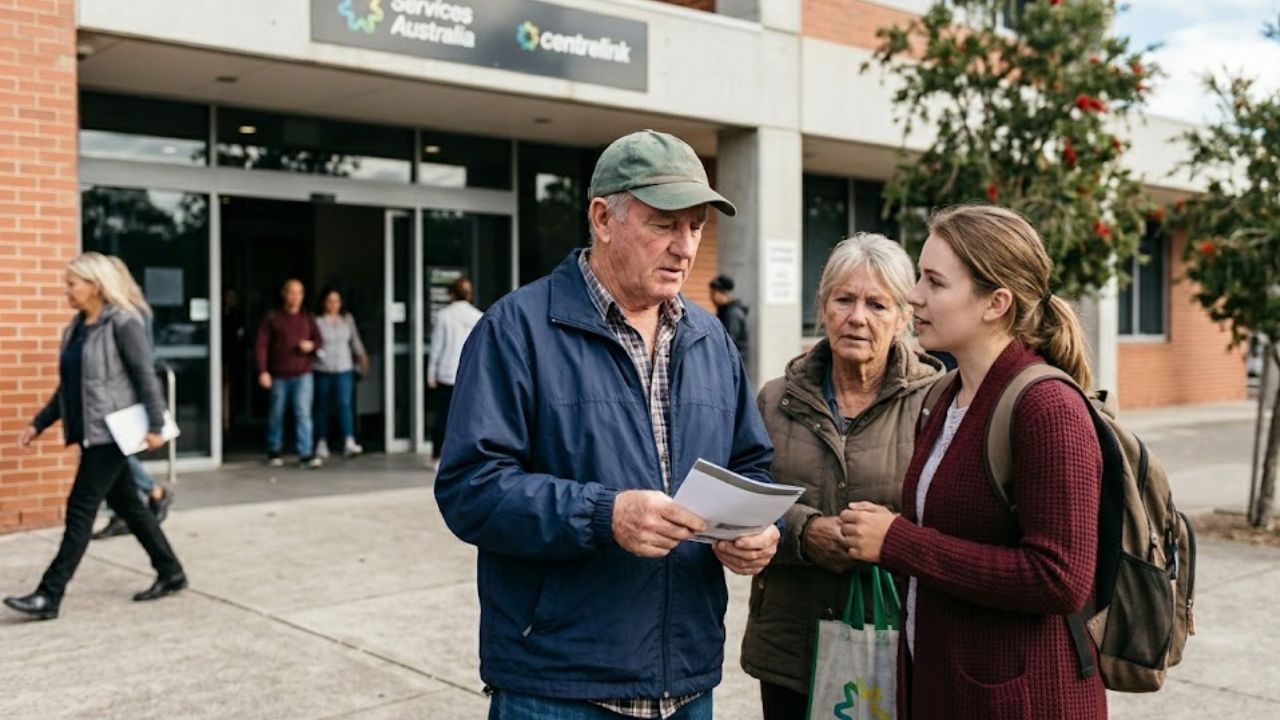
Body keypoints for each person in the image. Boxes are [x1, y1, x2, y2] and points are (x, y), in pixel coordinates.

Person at [434, 129, 777, 720]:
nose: (685, 247)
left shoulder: (709, 338)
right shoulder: (515, 330)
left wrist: (753, 532)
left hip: (688, 680)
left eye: (695, 226)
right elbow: (471, 489)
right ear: (602, 217)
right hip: (559, 685)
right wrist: (604, 515)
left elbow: (749, 464)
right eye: (664, 223)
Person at [841, 204, 1105, 719]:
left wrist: (899, 542)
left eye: (935, 282)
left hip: (1023, 701)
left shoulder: (1047, 408)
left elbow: (1059, 577)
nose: (914, 295)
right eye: (919, 277)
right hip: (947, 690)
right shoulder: (946, 396)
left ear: (995, 303)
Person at [740, 234, 943, 718]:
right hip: (792, 646)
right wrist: (806, 532)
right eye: (844, 299)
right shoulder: (775, 399)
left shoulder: (938, 401)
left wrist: (888, 538)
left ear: (903, 317)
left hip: (898, 643)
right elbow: (747, 496)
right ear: (822, 306)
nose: (858, 317)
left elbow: (956, 517)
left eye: (877, 304)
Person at [5, 252, 187, 620]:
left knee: (80, 509)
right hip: (92, 431)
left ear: (96, 285)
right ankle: (171, 571)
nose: (66, 291)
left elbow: (144, 375)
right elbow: (68, 388)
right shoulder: (76, 328)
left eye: (72, 284)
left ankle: (49, 595)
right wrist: (39, 423)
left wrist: (155, 425)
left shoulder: (123, 322)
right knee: (130, 506)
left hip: (113, 433)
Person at [91, 256, 174, 539]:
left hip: (125, 396)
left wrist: (154, 419)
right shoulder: (108, 313)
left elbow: (143, 361)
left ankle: (152, 491)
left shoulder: (132, 313)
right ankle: (126, 511)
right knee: (115, 455)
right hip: (108, 397)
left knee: (117, 455)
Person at [255, 278, 323, 469]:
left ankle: (305, 454)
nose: (295, 297)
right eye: (291, 292)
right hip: (279, 374)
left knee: (303, 413)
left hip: (303, 373)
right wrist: (263, 371)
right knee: (276, 413)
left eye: (298, 293)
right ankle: (274, 449)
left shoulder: (308, 318)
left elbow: (319, 341)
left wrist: (311, 346)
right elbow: (261, 346)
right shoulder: (273, 318)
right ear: (284, 294)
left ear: (303, 296)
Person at [425, 277, 482, 469]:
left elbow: (436, 347)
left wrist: (431, 372)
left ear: (451, 294)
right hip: (470, 374)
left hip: (447, 373)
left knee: (442, 416)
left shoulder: (444, 316)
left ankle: (436, 456)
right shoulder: (478, 316)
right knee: (468, 418)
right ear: (469, 294)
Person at [313, 288, 367, 460]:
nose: (333, 305)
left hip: (344, 367)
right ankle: (321, 441)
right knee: (322, 406)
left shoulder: (347, 319)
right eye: (330, 301)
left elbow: (355, 340)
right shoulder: (317, 321)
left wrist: (362, 358)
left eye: (337, 301)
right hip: (323, 368)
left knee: (345, 405)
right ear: (324, 302)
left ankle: (348, 440)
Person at [709, 273, 749, 361]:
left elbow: (728, 343)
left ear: (725, 294)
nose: (711, 297)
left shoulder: (732, 314)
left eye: (714, 293)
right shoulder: (725, 312)